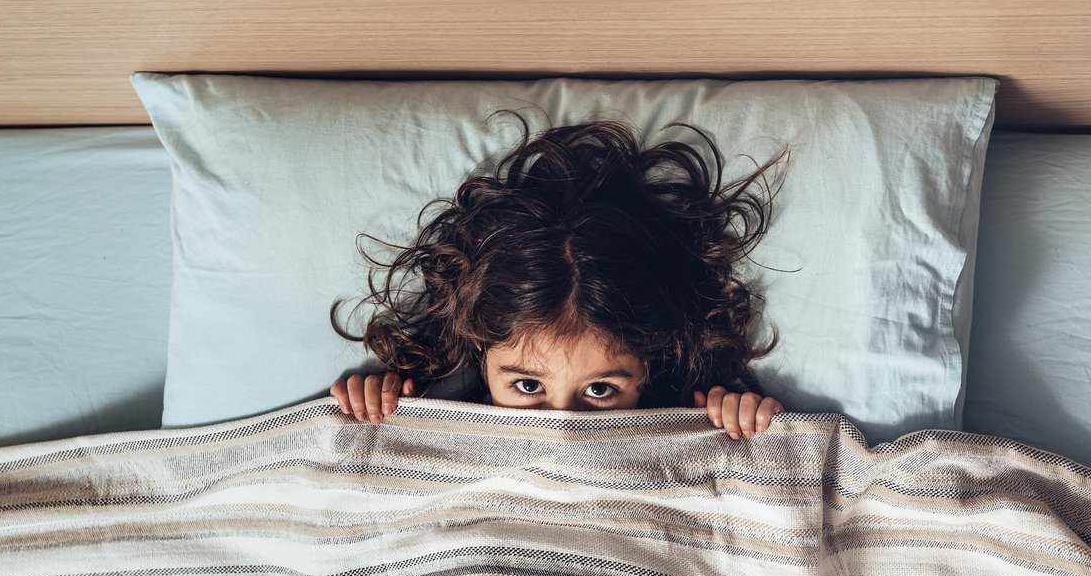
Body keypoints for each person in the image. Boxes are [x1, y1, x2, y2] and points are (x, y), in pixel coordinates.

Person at [330, 111, 788, 441]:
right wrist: (372, 402)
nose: (562, 424)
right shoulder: (443, 419)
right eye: (527, 386)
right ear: (479, 350)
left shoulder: (677, 421)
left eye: (601, 389)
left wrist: (744, 422)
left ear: (647, 369)